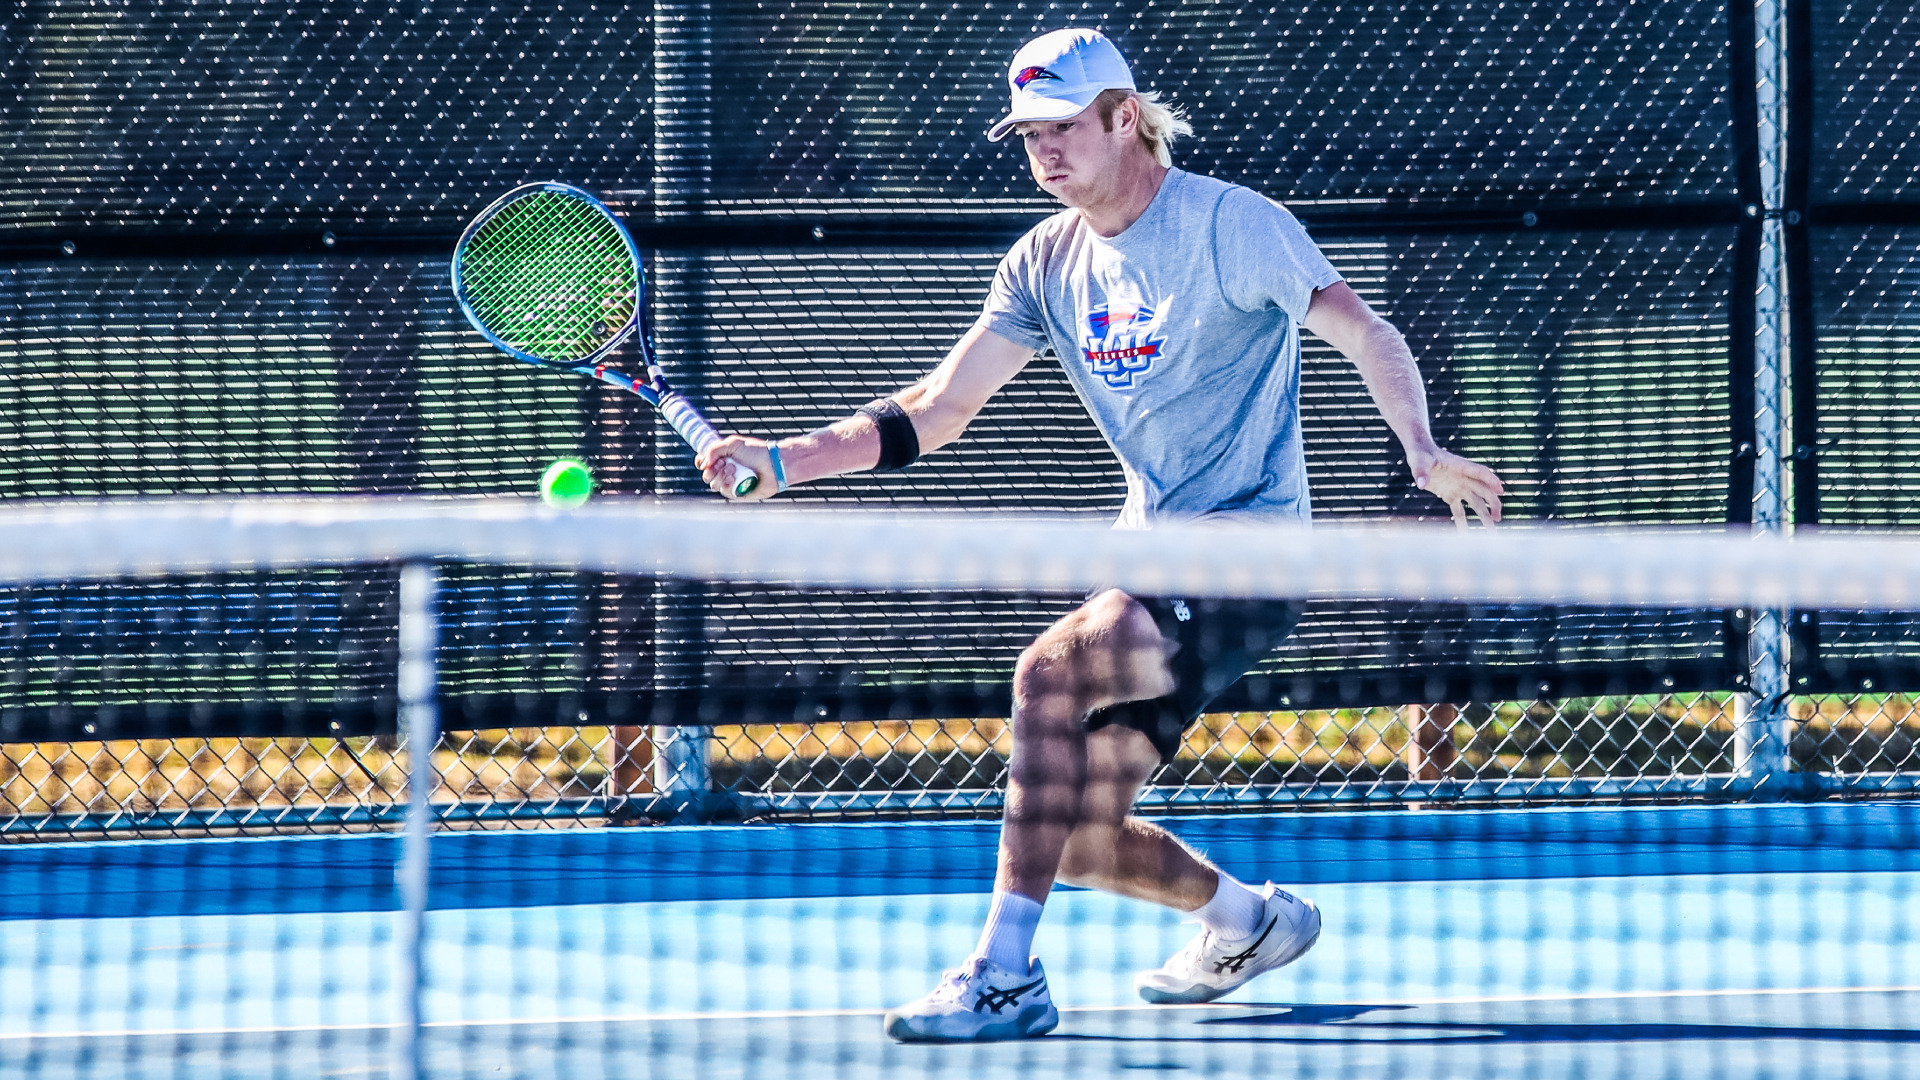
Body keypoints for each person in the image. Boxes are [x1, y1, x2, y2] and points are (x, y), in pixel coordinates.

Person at [695, 27, 1505, 1043]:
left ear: (1126, 119)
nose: (1043, 153)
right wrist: (787, 459)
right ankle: (1251, 921)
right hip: (1155, 558)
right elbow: (937, 410)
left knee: (1048, 671)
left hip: (1248, 551)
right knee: (1076, 840)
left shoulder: (1231, 225)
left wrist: (1423, 454)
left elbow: (1364, 332)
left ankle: (1003, 974)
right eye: (1027, 135)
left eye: (1063, 128)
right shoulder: (1045, 261)